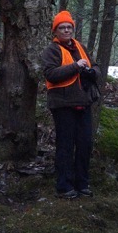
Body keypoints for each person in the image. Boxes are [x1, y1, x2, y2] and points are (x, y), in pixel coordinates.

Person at [41, 10, 99, 199]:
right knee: (65, 145)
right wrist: (76, 67)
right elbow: (50, 74)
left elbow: (95, 66)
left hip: (84, 102)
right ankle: (64, 186)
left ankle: (82, 183)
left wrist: (92, 72)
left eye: (69, 27)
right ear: (55, 31)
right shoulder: (51, 50)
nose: (66, 30)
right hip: (63, 104)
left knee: (85, 144)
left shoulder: (80, 47)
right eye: (62, 28)